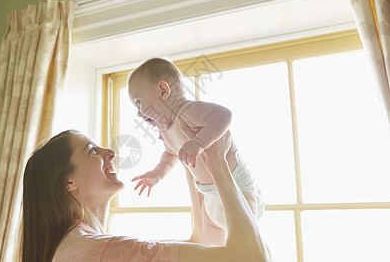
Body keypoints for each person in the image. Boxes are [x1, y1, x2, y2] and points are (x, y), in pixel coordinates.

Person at [20, 128, 270, 262]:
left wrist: (187, 160)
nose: (110, 152)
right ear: (69, 182)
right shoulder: (99, 251)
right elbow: (251, 259)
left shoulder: (77, 247)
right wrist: (218, 166)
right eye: (91, 150)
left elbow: (202, 243)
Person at [128, 57, 264, 245]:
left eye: (139, 103)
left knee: (246, 238)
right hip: (209, 196)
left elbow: (224, 115)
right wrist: (157, 174)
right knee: (210, 245)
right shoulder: (166, 131)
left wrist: (198, 142)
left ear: (163, 90)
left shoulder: (188, 110)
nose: (138, 112)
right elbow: (170, 156)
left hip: (239, 189)